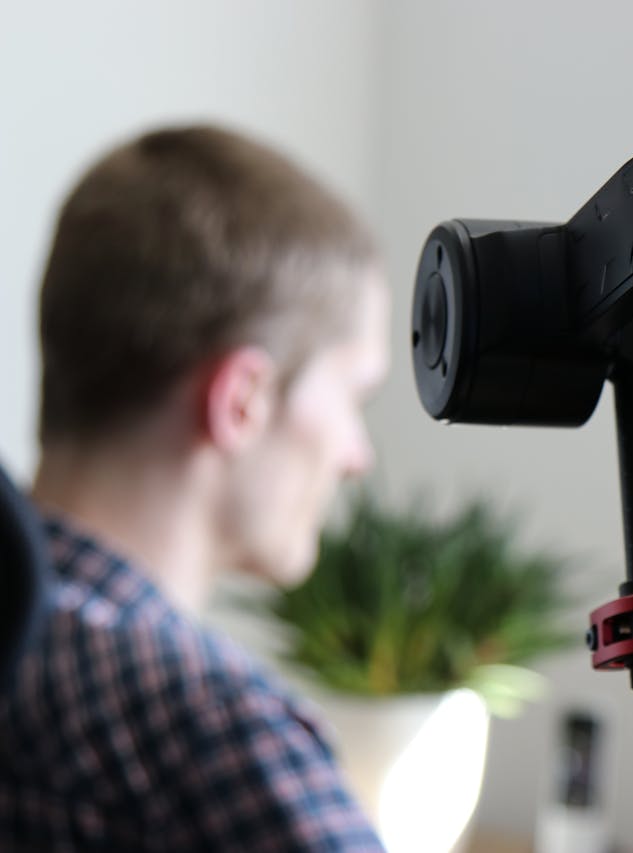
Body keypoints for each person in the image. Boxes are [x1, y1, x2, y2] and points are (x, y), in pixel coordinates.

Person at [0, 126, 390, 850]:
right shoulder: (216, 730)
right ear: (242, 399)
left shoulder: (25, 655)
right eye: (352, 396)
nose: (355, 454)